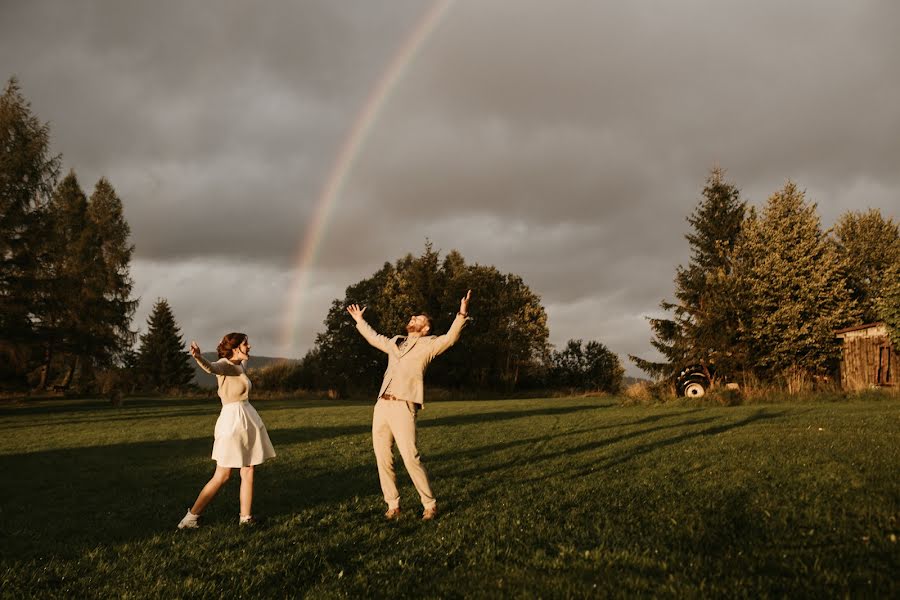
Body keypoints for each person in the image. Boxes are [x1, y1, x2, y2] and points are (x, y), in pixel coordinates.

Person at [347, 290, 472, 521]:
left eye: (419, 319)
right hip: (382, 406)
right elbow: (375, 338)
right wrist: (360, 321)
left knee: (410, 458)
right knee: (383, 457)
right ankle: (393, 505)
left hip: (403, 406)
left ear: (425, 328)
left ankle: (429, 504)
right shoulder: (396, 341)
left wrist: (461, 314)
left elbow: (450, 338)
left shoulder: (429, 345)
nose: (413, 319)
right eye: (413, 317)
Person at [176, 333, 276, 529]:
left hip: (246, 418)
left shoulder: (241, 365)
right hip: (232, 422)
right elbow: (211, 367)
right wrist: (197, 356)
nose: (250, 346)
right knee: (222, 475)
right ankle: (190, 519)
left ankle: (246, 519)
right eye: (246, 344)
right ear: (235, 348)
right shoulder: (224, 365)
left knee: (248, 469)